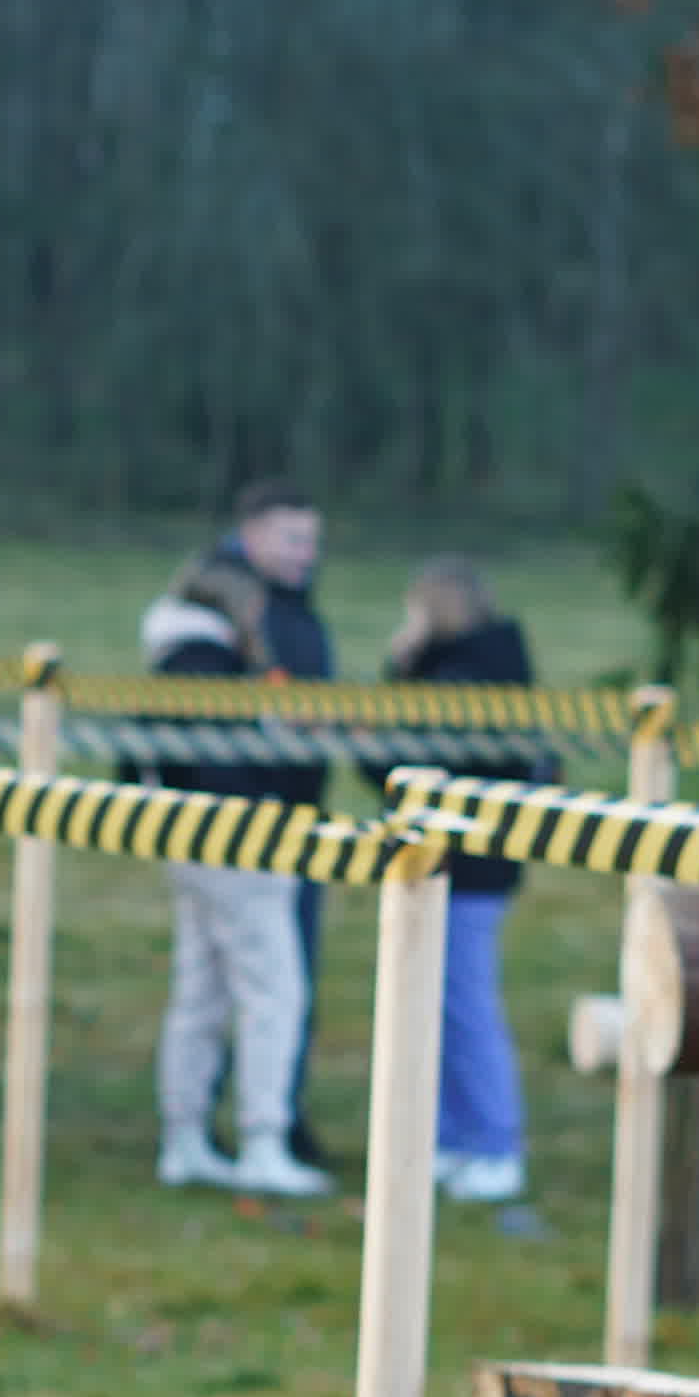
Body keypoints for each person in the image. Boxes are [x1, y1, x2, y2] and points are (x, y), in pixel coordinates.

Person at [139, 485, 337, 1195]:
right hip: (242, 841)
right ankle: (262, 1142)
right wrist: (284, 758)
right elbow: (228, 759)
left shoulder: (175, 653)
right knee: (273, 993)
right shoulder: (205, 661)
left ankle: (186, 1138)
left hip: (193, 843)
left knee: (201, 994)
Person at [381, 556, 548, 1207]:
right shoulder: (483, 668)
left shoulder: (467, 679)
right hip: (459, 862)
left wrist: (400, 672)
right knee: (442, 1009)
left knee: (466, 1008)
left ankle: (495, 1143)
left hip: (467, 867)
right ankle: (455, 1137)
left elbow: (402, 766)